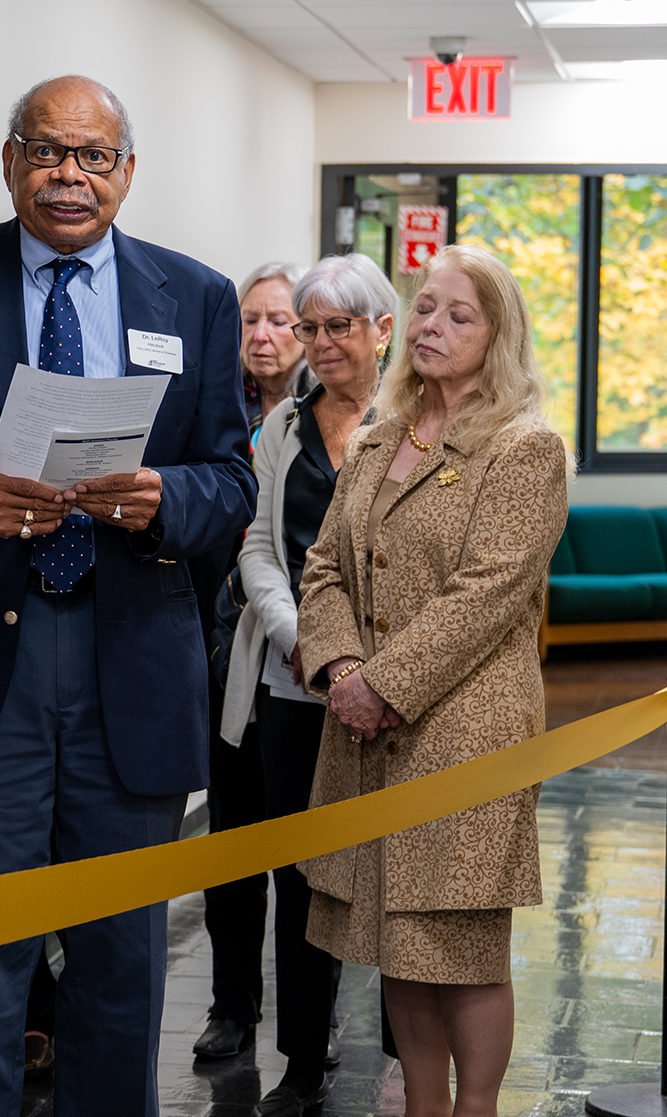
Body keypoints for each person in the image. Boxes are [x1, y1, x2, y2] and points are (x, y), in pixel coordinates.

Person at [0, 76, 255, 1117]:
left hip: (131, 663)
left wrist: (168, 498)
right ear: (15, 158)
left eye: (94, 155)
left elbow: (234, 480)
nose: (70, 174)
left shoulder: (192, 297)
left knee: (123, 967)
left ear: (126, 172)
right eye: (48, 150)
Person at [296, 245, 569, 1117]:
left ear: (498, 336)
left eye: (459, 314)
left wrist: (382, 685)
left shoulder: (525, 449)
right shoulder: (380, 438)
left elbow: (488, 593)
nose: (432, 326)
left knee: (458, 946)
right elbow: (322, 569)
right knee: (390, 937)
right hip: (363, 729)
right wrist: (342, 669)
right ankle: (420, 1105)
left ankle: (476, 1109)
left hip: (465, 735)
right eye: (423, 308)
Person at [208, 255, 395, 1115]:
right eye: (308, 328)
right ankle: (300, 1058)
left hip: (397, 689)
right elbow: (256, 545)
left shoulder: (419, 422)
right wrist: (304, 642)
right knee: (301, 880)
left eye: (337, 328)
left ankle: (405, 1049)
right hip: (293, 685)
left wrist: (372, 666)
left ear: (381, 331)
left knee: (397, 871)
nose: (317, 344)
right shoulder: (283, 426)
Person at [195, 259, 312, 1066]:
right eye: (250, 320)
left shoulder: (331, 418)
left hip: (303, 659)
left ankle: (311, 1023)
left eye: (281, 321)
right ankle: (230, 1006)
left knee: (304, 854)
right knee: (229, 844)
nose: (263, 336)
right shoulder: (211, 409)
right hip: (218, 651)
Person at [238, 262, 315, 440]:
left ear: (308, 329)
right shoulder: (222, 393)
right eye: (250, 320)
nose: (259, 335)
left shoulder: (324, 397)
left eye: (278, 322)